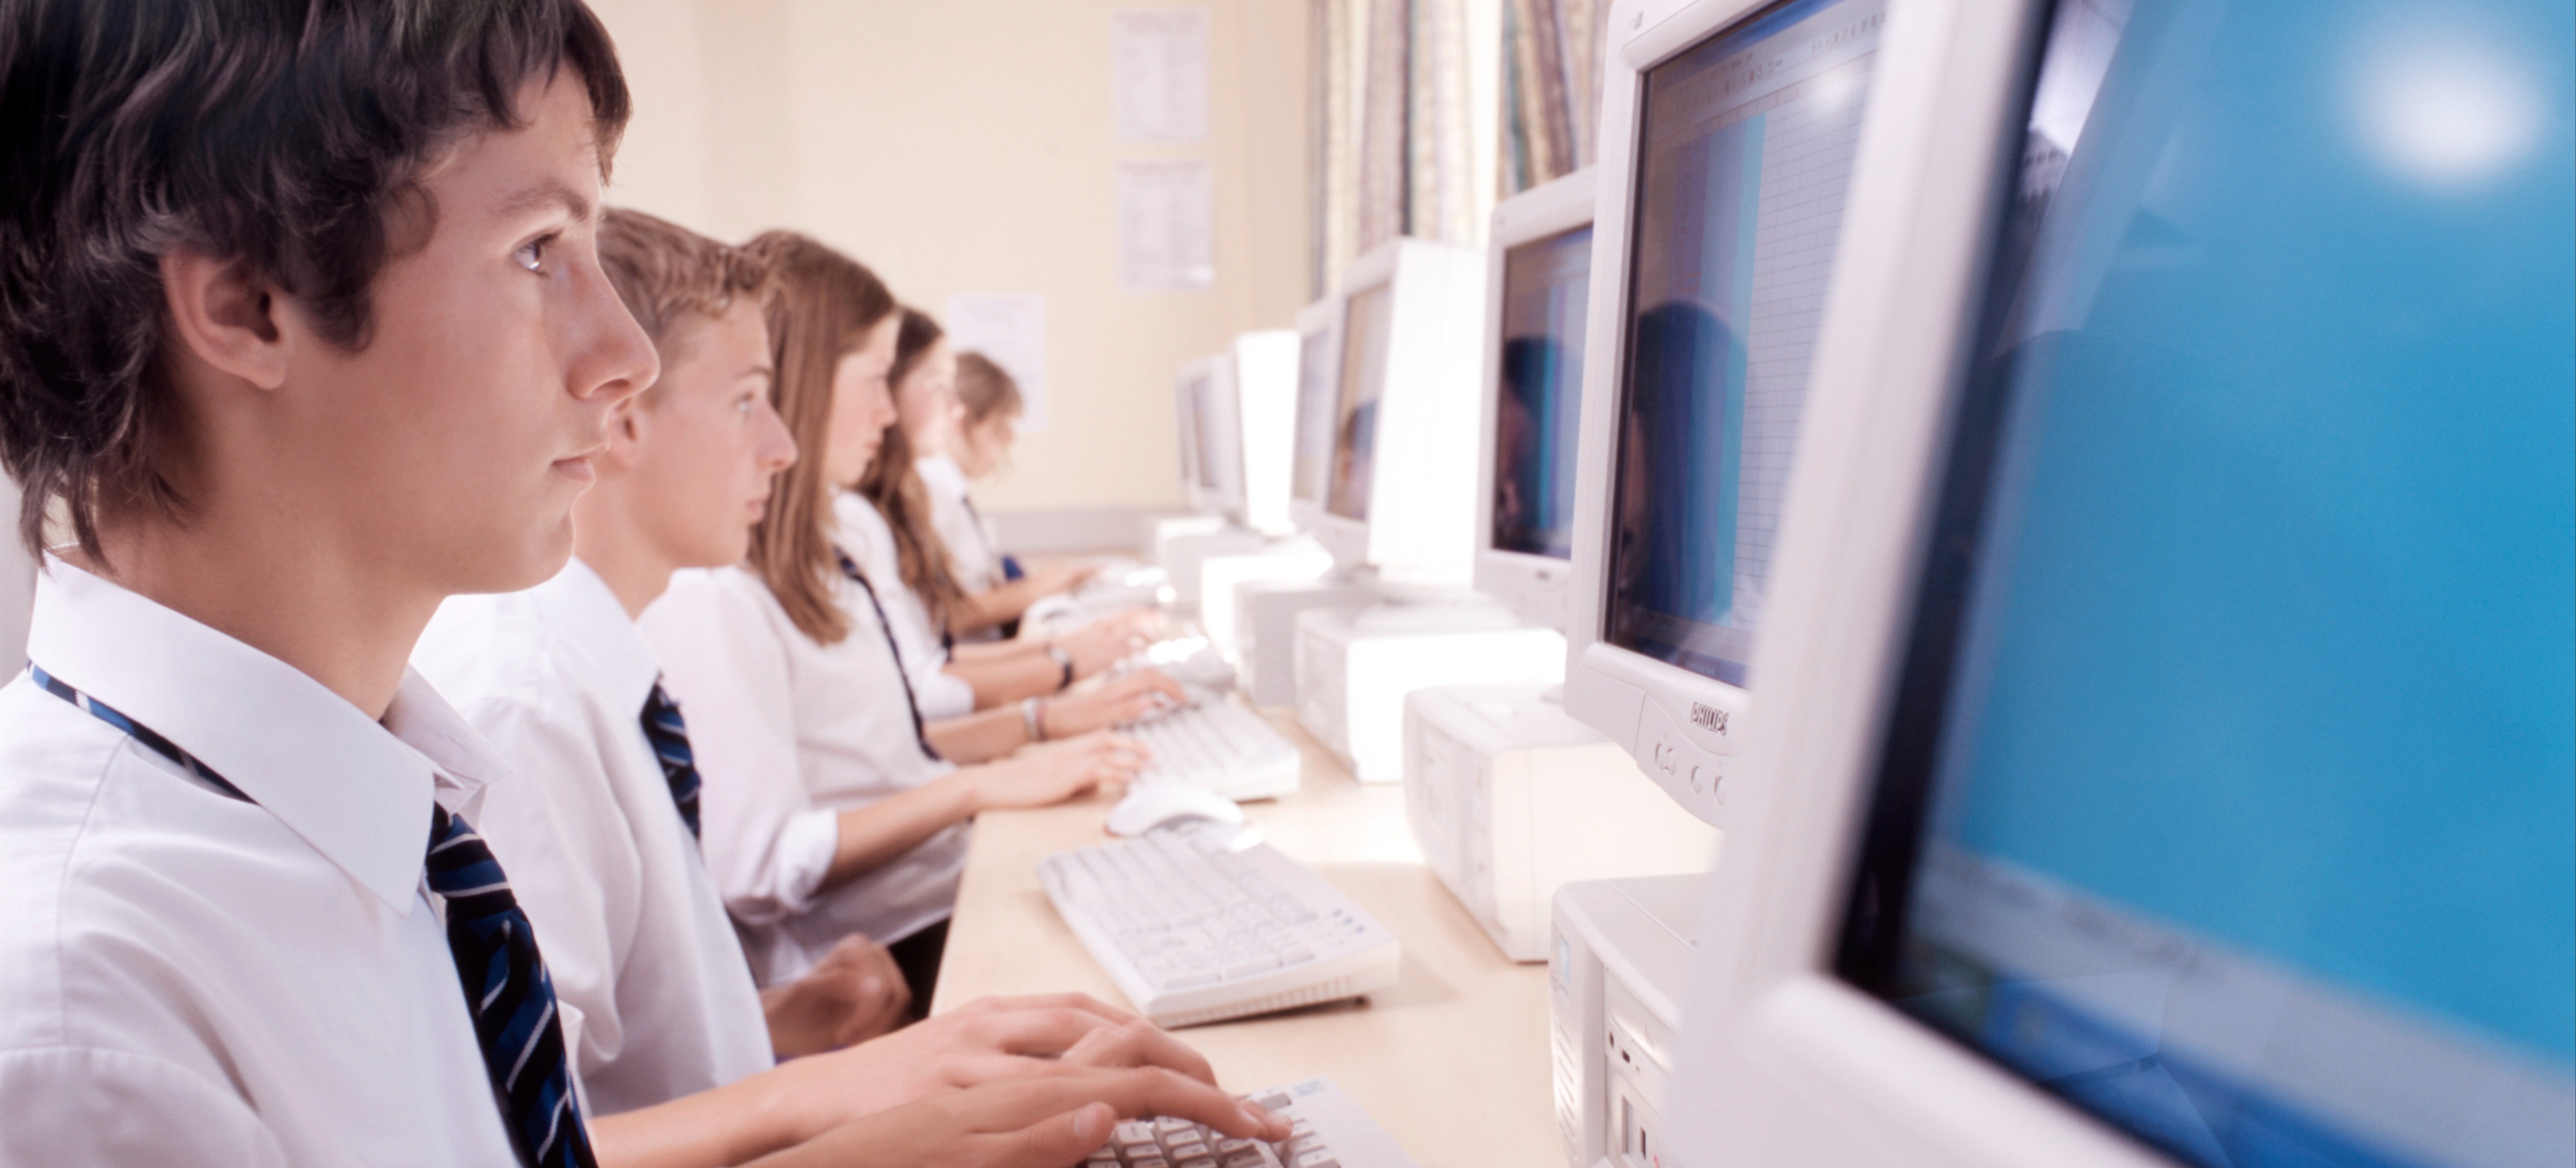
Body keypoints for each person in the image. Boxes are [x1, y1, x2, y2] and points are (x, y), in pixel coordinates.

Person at [0, 4, 1279, 1164]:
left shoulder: (368, 801)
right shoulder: (82, 1015)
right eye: (538, 250)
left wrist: (854, 1097)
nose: (620, 356)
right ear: (247, 303)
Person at [413, 208, 1252, 1168]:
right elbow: (526, 1146)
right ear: (626, 416)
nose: (781, 445)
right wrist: (827, 1091)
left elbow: (609, 1064)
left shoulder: (598, 664)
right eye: (745, 402)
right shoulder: (526, 705)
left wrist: (779, 1022)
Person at [640, 235, 1157, 1006]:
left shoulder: (835, 538)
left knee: (1148, 875)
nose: (889, 411)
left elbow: (898, 740)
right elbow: (757, 867)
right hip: (877, 939)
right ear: (809, 380)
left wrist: (1039, 726)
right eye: (876, 379)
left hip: (940, 878)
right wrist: (982, 781)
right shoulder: (717, 594)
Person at [847, 309, 1155, 709]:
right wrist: (1057, 647)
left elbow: (931, 659)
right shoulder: (909, 498)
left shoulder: (907, 498)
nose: (951, 407)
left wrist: (1064, 652)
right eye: (938, 387)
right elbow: (946, 631)